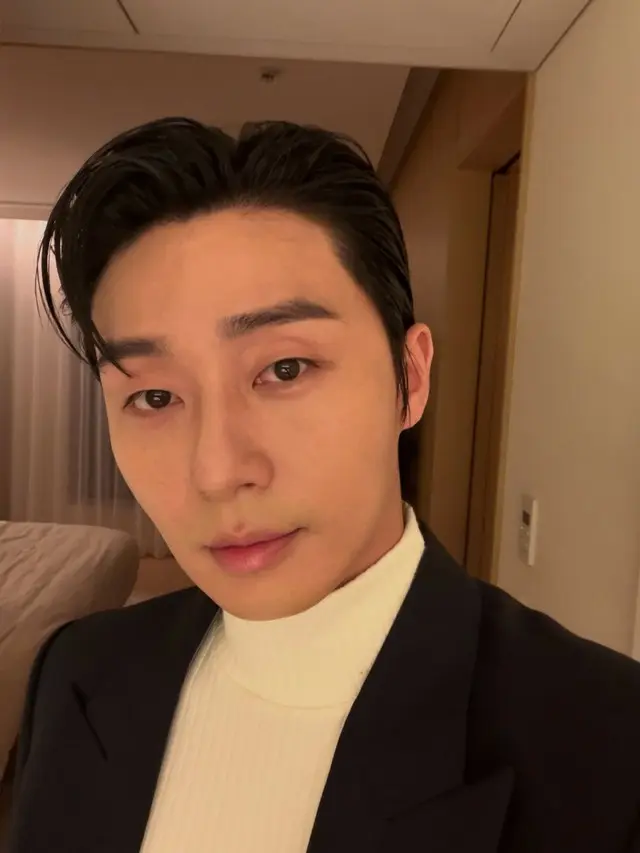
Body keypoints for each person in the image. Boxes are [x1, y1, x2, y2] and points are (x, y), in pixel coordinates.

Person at [7, 117, 640, 853]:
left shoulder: (610, 749)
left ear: (410, 379)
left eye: (285, 369)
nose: (217, 471)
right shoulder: (77, 669)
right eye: (154, 396)